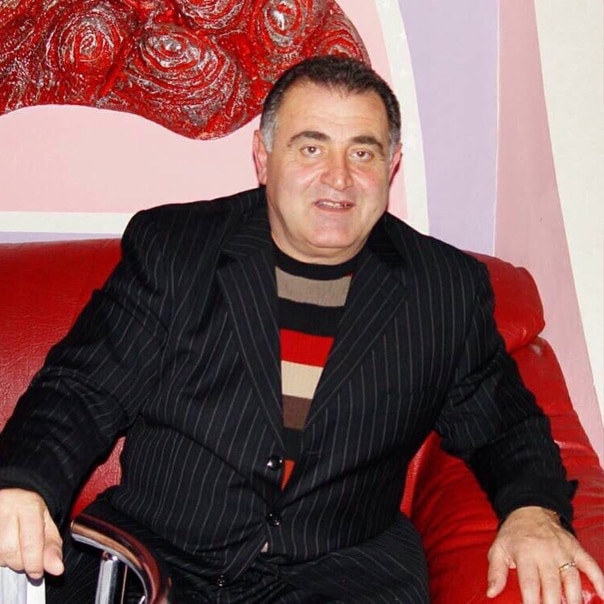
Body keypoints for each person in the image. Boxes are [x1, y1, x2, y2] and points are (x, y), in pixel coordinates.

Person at [0, 55, 602, 603]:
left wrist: (533, 509)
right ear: (264, 159)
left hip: (343, 574)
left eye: (362, 153)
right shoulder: (176, 249)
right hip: (156, 557)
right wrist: (25, 481)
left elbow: (505, 424)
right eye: (311, 147)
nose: (338, 178)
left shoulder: (443, 289)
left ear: (391, 165)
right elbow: (83, 389)